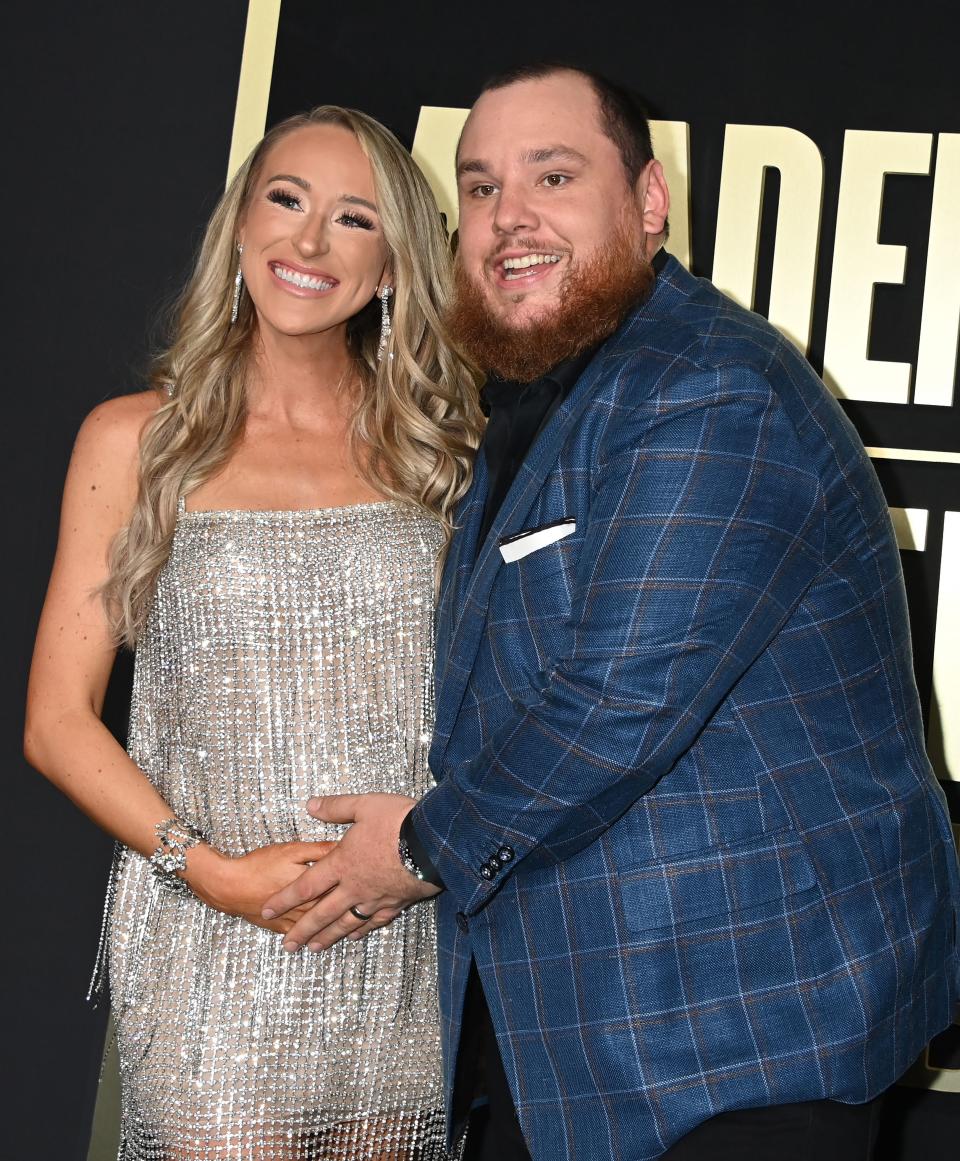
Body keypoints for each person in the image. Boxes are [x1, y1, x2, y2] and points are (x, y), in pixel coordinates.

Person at [261, 66, 960, 1161]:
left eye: (554, 176)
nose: (510, 218)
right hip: (582, 1030)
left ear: (646, 204)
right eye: (483, 187)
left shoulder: (707, 389)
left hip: (735, 1040)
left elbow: (612, 703)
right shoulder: (546, 390)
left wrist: (417, 846)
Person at [24, 105, 482, 1160]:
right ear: (239, 226)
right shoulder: (137, 439)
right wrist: (211, 871)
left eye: (353, 219)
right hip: (210, 946)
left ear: (394, 268)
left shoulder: (447, 456)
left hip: (399, 932)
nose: (309, 242)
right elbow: (55, 722)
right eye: (286, 200)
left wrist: (421, 853)